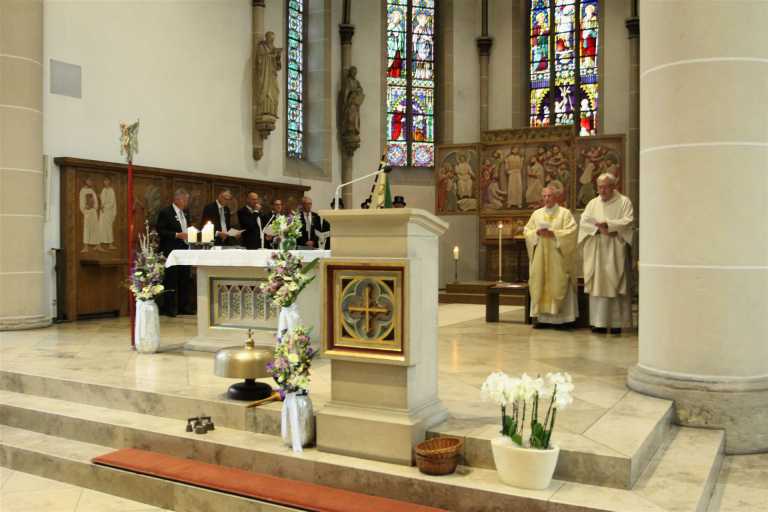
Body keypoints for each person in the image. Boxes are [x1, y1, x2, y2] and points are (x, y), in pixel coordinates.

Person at [578, 173, 634, 334]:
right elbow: (584, 221)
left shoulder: (624, 202)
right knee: (598, 284)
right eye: (600, 187)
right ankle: (598, 323)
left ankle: (616, 323)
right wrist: (597, 229)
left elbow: (628, 221)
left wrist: (609, 225)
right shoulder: (593, 203)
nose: (602, 191)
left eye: (605, 187)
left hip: (615, 248)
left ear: (613, 186)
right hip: (596, 250)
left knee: (614, 283)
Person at [523, 187, 578, 328]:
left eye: (550, 196)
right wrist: (536, 233)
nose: (547, 199)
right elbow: (527, 231)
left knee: (559, 282)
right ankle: (542, 319)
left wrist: (554, 234)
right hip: (541, 256)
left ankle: (561, 320)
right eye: (544, 196)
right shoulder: (537, 214)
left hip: (557, 256)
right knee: (539, 281)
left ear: (556, 197)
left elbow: (571, 232)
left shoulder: (564, 213)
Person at [156, 189, 192, 317]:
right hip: (171, 251)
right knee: (171, 280)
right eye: (185, 200)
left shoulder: (185, 213)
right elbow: (160, 230)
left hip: (184, 250)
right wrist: (177, 235)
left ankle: (184, 307)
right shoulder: (166, 212)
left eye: (187, 200)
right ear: (177, 199)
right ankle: (170, 308)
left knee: (184, 279)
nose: (186, 202)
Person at [79, 177, 100, 253]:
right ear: (85, 181)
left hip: (93, 212)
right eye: (89, 180)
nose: (90, 182)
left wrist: (94, 207)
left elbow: (96, 200)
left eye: (91, 180)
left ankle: (97, 245)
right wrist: (85, 209)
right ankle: (86, 247)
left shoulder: (92, 190)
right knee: (87, 228)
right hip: (87, 212)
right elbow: (81, 202)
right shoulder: (82, 191)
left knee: (95, 228)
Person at [98, 177, 117, 250]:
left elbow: (112, 203)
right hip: (102, 212)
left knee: (108, 228)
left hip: (108, 212)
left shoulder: (111, 190)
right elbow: (102, 200)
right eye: (105, 181)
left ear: (109, 181)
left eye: (107, 180)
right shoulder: (103, 190)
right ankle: (99, 244)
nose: (106, 182)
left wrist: (104, 206)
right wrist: (101, 203)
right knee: (101, 227)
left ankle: (110, 244)